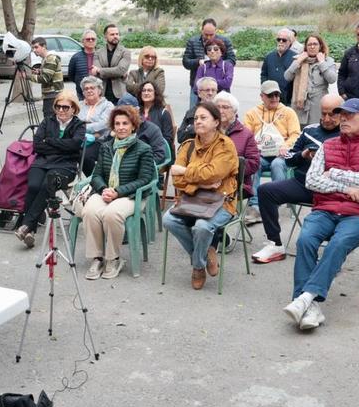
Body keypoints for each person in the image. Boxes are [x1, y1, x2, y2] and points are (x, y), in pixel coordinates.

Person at [284, 98, 359, 331]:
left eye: (350, 115)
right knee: (305, 240)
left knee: (338, 243)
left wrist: (332, 173)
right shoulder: (328, 145)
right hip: (325, 208)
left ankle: (305, 297)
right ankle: (310, 307)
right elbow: (312, 181)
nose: (343, 119)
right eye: (342, 115)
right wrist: (346, 188)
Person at [250, 93, 344, 264]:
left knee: (337, 209)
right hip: (303, 184)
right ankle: (275, 244)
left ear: (342, 114)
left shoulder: (347, 135)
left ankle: (330, 256)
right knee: (266, 191)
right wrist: (303, 154)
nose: (327, 119)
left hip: (331, 189)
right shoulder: (310, 131)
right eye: (323, 113)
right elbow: (289, 159)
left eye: (332, 114)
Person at [162, 101, 240, 290]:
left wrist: (186, 172)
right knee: (168, 219)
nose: (197, 121)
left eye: (203, 117)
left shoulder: (226, 145)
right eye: (196, 118)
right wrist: (201, 183)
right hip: (192, 200)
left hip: (221, 201)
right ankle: (206, 254)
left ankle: (197, 267)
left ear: (216, 122)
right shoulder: (188, 146)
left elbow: (214, 173)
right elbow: (176, 180)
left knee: (202, 226)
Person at [75, 106, 156, 280]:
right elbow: (96, 175)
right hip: (107, 191)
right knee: (89, 211)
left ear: (133, 126)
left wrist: (118, 192)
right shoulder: (106, 147)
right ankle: (97, 258)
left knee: (112, 214)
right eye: (117, 124)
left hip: (131, 195)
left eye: (125, 123)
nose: (121, 127)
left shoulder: (144, 149)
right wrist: (103, 189)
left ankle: (113, 259)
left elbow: (144, 179)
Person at [15, 92, 86, 248]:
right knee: (33, 186)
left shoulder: (79, 125)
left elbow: (75, 145)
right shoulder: (48, 121)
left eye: (65, 107)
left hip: (65, 165)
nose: (61, 110)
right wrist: (62, 145)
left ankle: (27, 226)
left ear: (73, 109)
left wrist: (50, 141)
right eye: (58, 106)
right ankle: (29, 229)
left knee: (46, 186)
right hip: (43, 162)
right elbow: (37, 145)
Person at [243, 81, 302, 206]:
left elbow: (296, 134)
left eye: (277, 95)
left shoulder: (288, 112)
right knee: (253, 163)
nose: (274, 98)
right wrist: (254, 148)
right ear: (262, 96)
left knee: (277, 164)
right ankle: (254, 203)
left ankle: (275, 202)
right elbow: (247, 137)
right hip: (260, 155)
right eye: (270, 95)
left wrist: (286, 146)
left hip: (282, 154)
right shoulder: (252, 114)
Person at [214, 92, 261, 204]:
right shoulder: (209, 130)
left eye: (225, 107)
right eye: (218, 107)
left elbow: (254, 163)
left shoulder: (246, 134)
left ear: (235, 111)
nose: (221, 111)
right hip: (209, 180)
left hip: (236, 183)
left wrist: (228, 170)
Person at [283, 33, 338, 125]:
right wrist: (298, 62)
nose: (312, 47)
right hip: (300, 107)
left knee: (316, 130)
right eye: (309, 44)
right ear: (305, 47)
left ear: (320, 46)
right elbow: (287, 77)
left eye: (315, 44)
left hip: (318, 108)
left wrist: (322, 63)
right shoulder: (299, 60)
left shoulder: (328, 61)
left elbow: (332, 79)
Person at [182, 19, 235, 110]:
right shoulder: (193, 41)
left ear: (216, 30)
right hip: (199, 85)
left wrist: (218, 63)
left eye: (211, 34)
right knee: (195, 111)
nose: (209, 37)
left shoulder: (225, 41)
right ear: (201, 30)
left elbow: (232, 59)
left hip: (221, 90)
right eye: (206, 34)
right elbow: (186, 62)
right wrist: (197, 62)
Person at [78, 75, 114, 175]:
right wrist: (92, 130)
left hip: (100, 141)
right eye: (86, 89)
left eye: (92, 88)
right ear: (83, 92)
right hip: (80, 138)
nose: (89, 91)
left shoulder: (108, 105)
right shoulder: (79, 105)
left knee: (85, 155)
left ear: (99, 90)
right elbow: (73, 123)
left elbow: (104, 124)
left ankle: (94, 179)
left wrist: (83, 127)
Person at [26, 36, 65, 119]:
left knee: (49, 121)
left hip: (53, 95)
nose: (34, 50)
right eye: (33, 48)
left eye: (36, 47)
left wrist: (27, 76)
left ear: (44, 46)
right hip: (50, 95)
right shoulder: (45, 59)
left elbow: (45, 78)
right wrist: (40, 71)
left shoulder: (50, 59)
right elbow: (51, 73)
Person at [92, 23, 130, 101]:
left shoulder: (125, 52)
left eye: (117, 34)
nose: (115, 36)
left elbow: (121, 70)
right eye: (112, 34)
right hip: (102, 94)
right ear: (105, 36)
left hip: (119, 96)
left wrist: (100, 70)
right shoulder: (97, 53)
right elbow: (97, 75)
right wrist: (116, 73)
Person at [177, 77, 219, 143]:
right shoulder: (191, 112)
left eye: (213, 90)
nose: (210, 93)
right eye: (207, 90)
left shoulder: (221, 111)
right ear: (199, 93)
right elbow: (180, 137)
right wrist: (195, 129)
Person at [137, 81, 174, 155]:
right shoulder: (136, 113)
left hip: (157, 152)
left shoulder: (163, 113)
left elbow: (168, 139)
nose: (146, 93)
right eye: (144, 90)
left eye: (149, 90)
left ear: (155, 93)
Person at [260, 28, 297, 98]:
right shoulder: (269, 57)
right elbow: (264, 75)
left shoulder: (295, 58)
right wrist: (265, 88)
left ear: (290, 42)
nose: (281, 42)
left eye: (284, 40)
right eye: (279, 39)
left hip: (288, 98)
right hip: (271, 96)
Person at [69, 28, 98, 100]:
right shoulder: (76, 57)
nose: (91, 41)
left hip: (99, 94)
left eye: (93, 39)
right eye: (88, 39)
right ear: (83, 41)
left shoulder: (102, 56)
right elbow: (71, 76)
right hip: (82, 95)